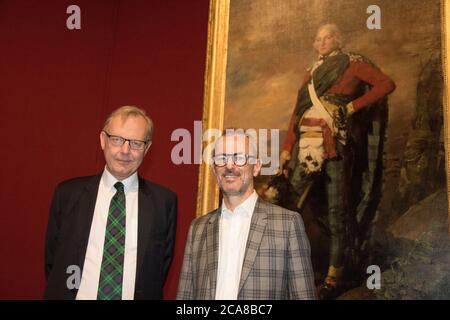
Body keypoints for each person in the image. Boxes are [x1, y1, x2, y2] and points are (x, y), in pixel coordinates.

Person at [278, 23, 396, 299]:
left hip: (336, 147)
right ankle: (290, 269)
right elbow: (297, 114)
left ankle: (335, 276)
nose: (322, 42)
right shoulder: (311, 73)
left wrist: (351, 107)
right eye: (317, 38)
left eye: (328, 36)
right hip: (305, 145)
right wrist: (286, 150)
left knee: (337, 211)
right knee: (289, 208)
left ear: (338, 39)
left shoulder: (352, 64)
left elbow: (386, 84)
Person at [44, 106, 177, 300]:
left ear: (147, 149)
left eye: (136, 143)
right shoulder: (67, 194)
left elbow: (160, 270)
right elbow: (53, 262)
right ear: (102, 140)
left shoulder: (164, 203)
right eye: (117, 139)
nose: (125, 150)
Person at [177, 130, 316, 300]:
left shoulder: (287, 224)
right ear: (214, 169)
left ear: (256, 167)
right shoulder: (198, 228)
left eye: (239, 158)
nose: (229, 166)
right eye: (221, 158)